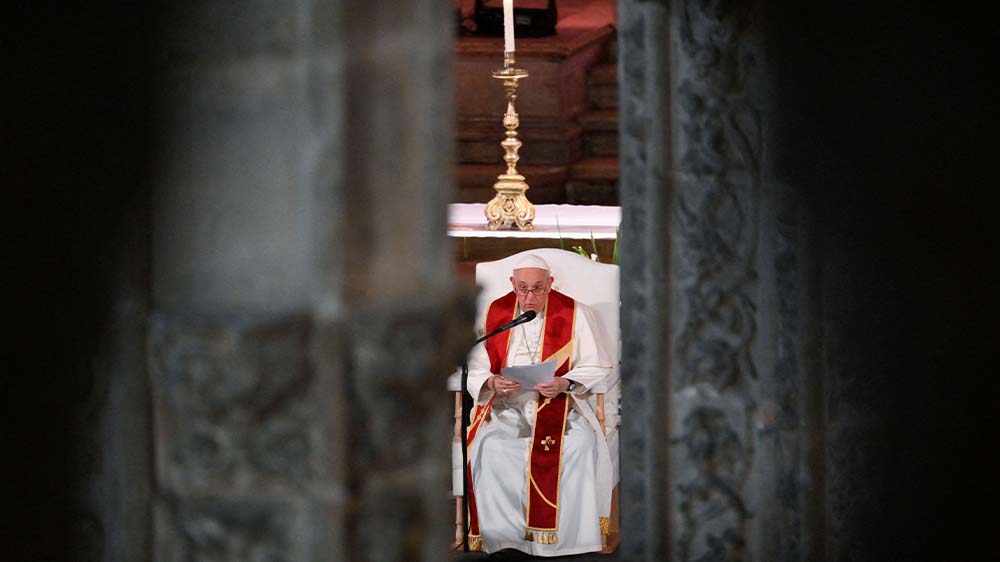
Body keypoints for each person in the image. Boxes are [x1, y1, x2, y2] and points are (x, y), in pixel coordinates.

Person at [465, 254, 614, 556]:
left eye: (537, 288)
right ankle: (507, 540)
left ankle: (570, 542)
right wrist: (491, 382)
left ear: (550, 284)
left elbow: (597, 365)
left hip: (561, 406)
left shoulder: (576, 313)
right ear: (512, 284)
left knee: (580, 444)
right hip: (508, 406)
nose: (529, 296)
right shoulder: (495, 314)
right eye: (523, 288)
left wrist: (565, 382)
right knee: (491, 447)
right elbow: (476, 362)